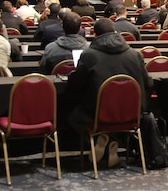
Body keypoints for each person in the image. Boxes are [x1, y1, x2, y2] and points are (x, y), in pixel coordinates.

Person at [62, 18, 153, 164]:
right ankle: (113, 140)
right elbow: (148, 83)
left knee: (70, 115)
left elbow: (75, 87)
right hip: (132, 115)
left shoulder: (89, 55)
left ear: (95, 35)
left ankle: (101, 139)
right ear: (116, 32)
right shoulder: (135, 55)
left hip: (97, 116)